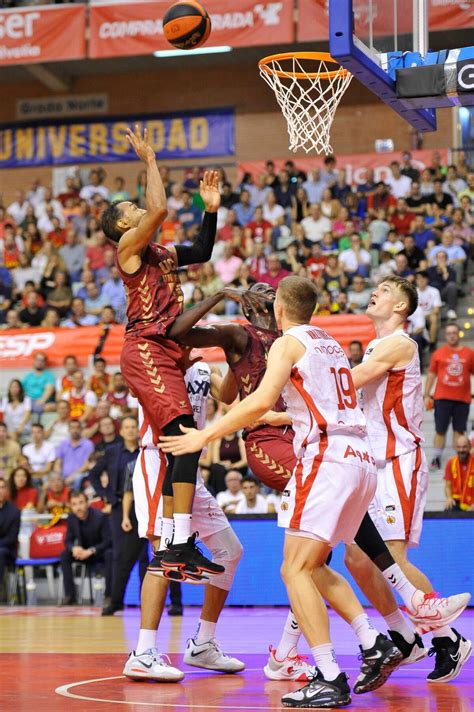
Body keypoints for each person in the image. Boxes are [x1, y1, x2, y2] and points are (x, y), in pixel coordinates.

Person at [168, 279, 471, 682]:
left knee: (308, 561)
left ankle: (413, 633)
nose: (375, 293)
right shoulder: (326, 339)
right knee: (348, 558)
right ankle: (397, 630)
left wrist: (205, 435)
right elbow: (238, 391)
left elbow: (262, 395)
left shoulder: (387, 344)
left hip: (381, 454)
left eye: (384, 290)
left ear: (275, 309)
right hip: (360, 455)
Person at [100, 124, 226, 582]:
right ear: (121, 226)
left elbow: (204, 248)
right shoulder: (129, 249)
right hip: (146, 348)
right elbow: (158, 207)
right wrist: (150, 161)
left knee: (183, 445)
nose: (140, 211)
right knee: (187, 439)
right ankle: (175, 543)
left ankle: (176, 544)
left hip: (167, 349)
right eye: (130, 209)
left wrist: (210, 211)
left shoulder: (161, 252)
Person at [349, 276, 472, 683]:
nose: (376, 292)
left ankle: (447, 638)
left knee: (393, 559)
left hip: (399, 460)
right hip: (371, 463)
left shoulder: (401, 343)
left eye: (385, 290)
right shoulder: (374, 345)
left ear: (401, 307)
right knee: (356, 559)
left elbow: (350, 381)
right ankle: (404, 635)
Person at [123, 360, 244, 681]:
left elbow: (230, 395)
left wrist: (235, 354)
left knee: (230, 552)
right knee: (163, 555)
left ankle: (203, 644)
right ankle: (143, 652)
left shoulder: (203, 366)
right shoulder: (152, 360)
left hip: (191, 468)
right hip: (159, 460)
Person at [424, 323, 474, 469]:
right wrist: (427, 394)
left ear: (459, 334)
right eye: (449, 333)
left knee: (459, 430)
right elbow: (432, 374)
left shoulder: (469, 354)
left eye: (454, 332)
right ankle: (436, 458)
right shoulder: (438, 353)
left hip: (462, 399)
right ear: (445, 336)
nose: (452, 335)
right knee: (440, 430)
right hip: (442, 399)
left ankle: (459, 460)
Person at [60, 490, 113, 606]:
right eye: (74, 504)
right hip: (83, 552)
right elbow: (68, 540)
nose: (78, 507)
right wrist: (73, 548)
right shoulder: (72, 518)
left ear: (87, 503)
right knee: (65, 555)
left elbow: (108, 541)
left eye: (81, 503)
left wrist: (90, 551)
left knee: (110, 553)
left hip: (100, 552)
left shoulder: (100, 517)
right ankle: (70, 595)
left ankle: (109, 596)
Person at [54, 421, 94, 487]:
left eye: (77, 428)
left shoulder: (88, 444)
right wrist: (59, 476)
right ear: (69, 430)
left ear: (81, 429)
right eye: (72, 428)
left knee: (78, 479)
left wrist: (73, 476)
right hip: (63, 475)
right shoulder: (63, 443)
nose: (75, 430)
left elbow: (87, 464)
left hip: (81, 474)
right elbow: (58, 463)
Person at [0, 477, 21, 586]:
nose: (0, 491)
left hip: (7, 550)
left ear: (6, 490)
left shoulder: (14, 512)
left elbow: (11, 538)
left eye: (2, 487)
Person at [21, 352, 55, 416]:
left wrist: (42, 400)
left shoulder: (48, 376)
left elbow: (49, 389)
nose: (39, 362)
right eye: (38, 360)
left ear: (45, 363)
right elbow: (20, 389)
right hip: (28, 402)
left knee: (51, 406)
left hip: (41, 402)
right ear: (34, 361)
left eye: (42, 360)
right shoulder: (28, 376)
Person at [444, 436, 473, 512]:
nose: (461, 450)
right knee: (448, 510)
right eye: (459, 447)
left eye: (464, 447)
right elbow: (447, 486)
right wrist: (449, 498)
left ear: (470, 447)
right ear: (455, 448)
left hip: (472, 501)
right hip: (457, 501)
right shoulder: (451, 463)